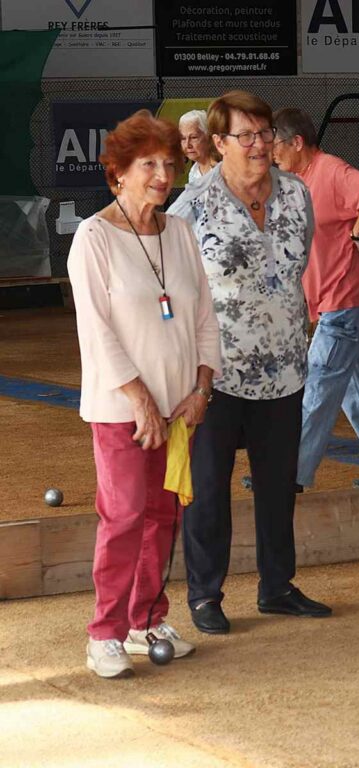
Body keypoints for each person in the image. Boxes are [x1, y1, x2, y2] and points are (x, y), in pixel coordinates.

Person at [168, 91, 331, 633]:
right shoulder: (193, 207)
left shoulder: (297, 193)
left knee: (278, 485)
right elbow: (169, 283)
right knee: (209, 489)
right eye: (247, 136)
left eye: (265, 134)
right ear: (219, 143)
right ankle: (204, 596)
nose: (260, 145)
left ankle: (277, 586)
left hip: (285, 367)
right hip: (214, 373)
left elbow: (296, 266)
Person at [67, 110, 221, 678]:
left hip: (180, 409)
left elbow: (204, 318)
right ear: (119, 173)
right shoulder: (93, 237)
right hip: (121, 411)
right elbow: (96, 330)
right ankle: (104, 633)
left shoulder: (179, 232)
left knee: (163, 515)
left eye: (169, 164)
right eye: (148, 164)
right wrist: (139, 400)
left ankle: (146, 621)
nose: (162, 175)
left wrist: (201, 389)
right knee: (125, 515)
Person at [271, 107, 359, 490]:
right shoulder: (299, 181)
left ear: (296, 142)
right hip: (334, 300)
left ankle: (287, 473)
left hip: (345, 297)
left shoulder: (330, 169)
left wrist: (357, 233)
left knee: (318, 380)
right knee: (357, 387)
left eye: (276, 145)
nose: (272, 153)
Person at [179, 110, 217, 184]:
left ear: (208, 137)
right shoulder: (193, 172)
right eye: (183, 138)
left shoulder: (223, 170)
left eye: (193, 137)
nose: (187, 145)